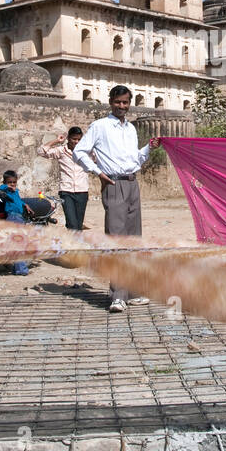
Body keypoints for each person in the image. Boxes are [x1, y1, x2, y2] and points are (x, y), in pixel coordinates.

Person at [73, 85, 161, 312]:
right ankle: (117, 296)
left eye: (125, 102)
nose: (122, 106)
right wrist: (97, 172)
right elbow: (79, 151)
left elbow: (135, 159)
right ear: (110, 102)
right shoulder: (100, 126)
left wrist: (148, 148)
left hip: (132, 184)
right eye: (118, 102)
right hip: (113, 184)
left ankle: (131, 291)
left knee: (133, 240)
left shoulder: (130, 128)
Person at [38, 126, 90, 230]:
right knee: (71, 222)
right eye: (73, 139)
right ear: (68, 138)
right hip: (66, 192)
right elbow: (41, 151)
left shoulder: (86, 152)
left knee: (78, 224)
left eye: (79, 139)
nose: (76, 142)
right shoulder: (61, 151)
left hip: (82, 191)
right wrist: (57, 141)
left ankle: (76, 244)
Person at [0, 170, 31, 276]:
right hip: (13, 217)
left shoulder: (16, 192)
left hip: (19, 218)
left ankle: (16, 268)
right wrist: (6, 187)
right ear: (5, 182)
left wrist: (25, 205)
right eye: (10, 182)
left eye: (14, 182)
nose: (12, 184)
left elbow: (18, 201)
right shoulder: (6, 191)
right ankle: (21, 270)